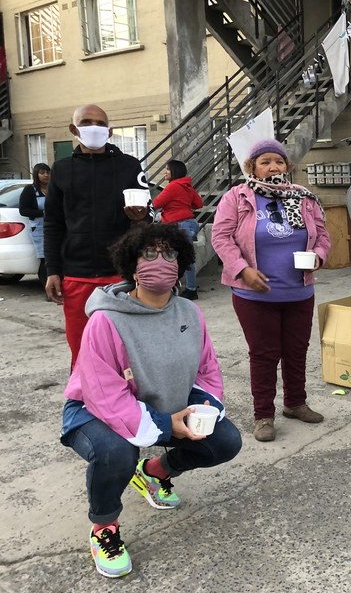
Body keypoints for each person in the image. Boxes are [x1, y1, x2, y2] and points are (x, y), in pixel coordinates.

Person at [60, 223, 242, 578]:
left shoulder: (189, 313)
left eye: (169, 253)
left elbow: (207, 369)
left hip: (166, 403)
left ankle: (154, 473)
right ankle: (105, 528)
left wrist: (203, 408)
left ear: (181, 261)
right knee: (116, 453)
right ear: (131, 263)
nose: (160, 261)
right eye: (148, 253)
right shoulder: (105, 321)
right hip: (94, 412)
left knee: (224, 441)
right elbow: (104, 393)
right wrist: (163, 424)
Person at [211, 138, 330, 443]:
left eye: (278, 161)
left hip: (299, 292)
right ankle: (263, 415)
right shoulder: (237, 198)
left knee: (296, 351)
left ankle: (295, 403)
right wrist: (242, 269)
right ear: (252, 167)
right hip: (255, 295)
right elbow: (221, 237)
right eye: (265, 162)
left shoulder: (304, 197)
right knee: (264, 355)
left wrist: (319, 255)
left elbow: (322, 235)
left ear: (286, 166)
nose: (273, 167)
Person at [44, 104, 152, 368]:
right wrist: (52, 270)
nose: (95, 127)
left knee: (126, 353)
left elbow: (149, 216)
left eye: (101, 123)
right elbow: (53, 223)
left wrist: (140, 219)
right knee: (82, 353)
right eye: (87, 122)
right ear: (74, 129)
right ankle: (83, 406)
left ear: (110, 131)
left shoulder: (129, 166)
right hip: (76, 275)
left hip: (121, 274)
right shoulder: (61, 169)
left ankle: (129, 407)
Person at [153, 159, 204, 300]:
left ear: (174, 171)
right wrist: (182, 203)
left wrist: (174, 205)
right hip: (189, 224)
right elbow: (198, 204)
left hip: (177, 225)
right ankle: (187, 288)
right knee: (185, 258)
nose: (165, 172)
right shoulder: (187, 186)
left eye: (167, 169)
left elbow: (157, 202)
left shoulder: (172, 186)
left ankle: (185, 289)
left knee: (172, 257)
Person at [18, 162, 50, 284]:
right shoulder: (29, 190)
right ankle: (47, 287)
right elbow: (23, 210)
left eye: (48, 172)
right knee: (45, 259)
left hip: (56, 227)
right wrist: (43, 213)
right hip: (39, 229)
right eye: (42, 173)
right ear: (36, 175)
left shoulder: (54, 189)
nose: (46, 175)